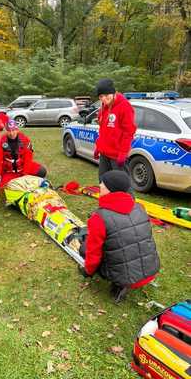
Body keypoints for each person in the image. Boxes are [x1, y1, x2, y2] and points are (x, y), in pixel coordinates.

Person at [78, 170, 160, 303]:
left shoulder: (99, 218)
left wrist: (88, 271)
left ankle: (119, 285)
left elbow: (93, 253)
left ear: (111, 189)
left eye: (103, 184)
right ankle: (125, 279)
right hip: (151, 270)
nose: (100, 186)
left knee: (84, 249)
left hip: (127, 278)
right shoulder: (140, 207)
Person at [93, 79, 137, 181]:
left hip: (117, 155)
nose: (104, 98)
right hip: (104, 153)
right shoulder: (103, 107)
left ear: (112, 92)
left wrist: (123, 152)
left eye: (106, 95)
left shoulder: (125, 106)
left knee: (121, 185)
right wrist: (98, 147)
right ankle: (106, 198)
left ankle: (127, 198)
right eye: (101, 96)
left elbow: (129, 132)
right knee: (103, 182)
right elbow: (103, 130)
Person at [0, 119, 47, 188]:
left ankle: (33, 180)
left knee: (41, 171)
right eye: (9, 131)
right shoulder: (1, 141)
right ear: (6, 131)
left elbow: (28, 159)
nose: (11, 133)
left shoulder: (25, 140)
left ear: (17, 130)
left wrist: (25, 174)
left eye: (13, 130)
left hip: (23, 168)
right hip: (10, 171)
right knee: (4, 187)